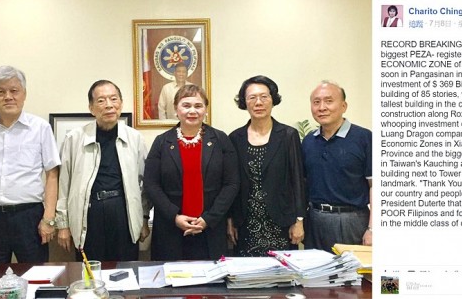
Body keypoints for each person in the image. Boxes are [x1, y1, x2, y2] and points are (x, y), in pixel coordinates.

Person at [0, 66, 60, 274]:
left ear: (24, 94)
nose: (8, 97)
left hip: (29, 217)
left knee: (37, 277)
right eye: (0, 92)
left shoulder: (40, 128)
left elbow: (52, 175)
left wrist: (48, 218)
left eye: (14, 91)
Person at [55, 80, 151, 261]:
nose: (108, 105)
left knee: (125, 271)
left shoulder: (135, 138)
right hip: (89, 213)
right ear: (91, 108)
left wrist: (144, 219)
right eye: (101, 101)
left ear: (120, 104)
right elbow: (64, 184)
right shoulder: (74, 139)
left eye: (113, 99)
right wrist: (63, 224)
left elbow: (145, 183)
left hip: (124, 211)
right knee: (91, 272)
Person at [144, 84, 239, 261]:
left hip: (211, 229)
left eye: (198, 106)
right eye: (186, 105)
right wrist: (175, 216)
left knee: (211, 285)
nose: (192, 111)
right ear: (176, 109)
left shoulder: (220, 140)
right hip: (170, 230)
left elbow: (231, 184)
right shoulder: (162, 142)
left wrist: (208, 219)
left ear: (206, 109)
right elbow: (151, 185)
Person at [227, 75, 305, 256]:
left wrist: (299, 220)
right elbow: (232, 183)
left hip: (282, 222)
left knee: (282, 278)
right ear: (244, 102)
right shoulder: (235, 138)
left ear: (273, 99)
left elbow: (298, 180)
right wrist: (230, 220)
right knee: (248, 279)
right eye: (252, 97)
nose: (258, 102)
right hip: (246, 224)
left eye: (264, 96)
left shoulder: (287, 135)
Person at [302, 80, 372, 252]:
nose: (322, 107)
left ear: (343, 106)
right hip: (315, 220)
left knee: (353, 277)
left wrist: (373, 229)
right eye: (316, 102)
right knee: (317, 276)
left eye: (329, 101)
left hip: (352, 221)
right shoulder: (308, 140)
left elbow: (376, 186)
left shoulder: (364, 138)